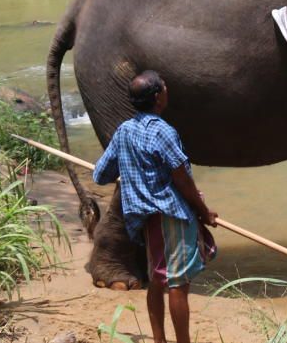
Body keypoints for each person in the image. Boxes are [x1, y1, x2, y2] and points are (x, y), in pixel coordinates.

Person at [93, 71, 217, 343]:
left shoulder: (124, 131)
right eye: (164, 87)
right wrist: (203, 211)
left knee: (157, 280)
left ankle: (159, 340)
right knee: (178, 284)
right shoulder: (163, 131)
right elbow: (182, 179)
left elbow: (100, 175)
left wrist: (130, 171)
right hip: (171, 215)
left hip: (147, 220)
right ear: (158, 97)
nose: (167, 90)